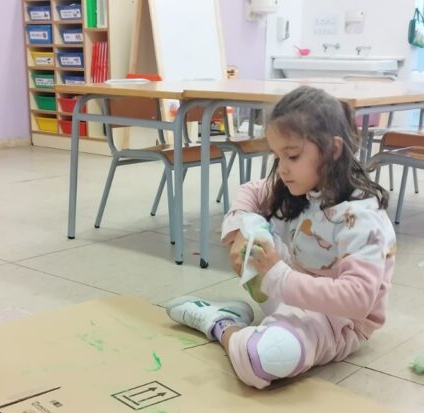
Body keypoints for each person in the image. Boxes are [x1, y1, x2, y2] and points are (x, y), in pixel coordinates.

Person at [166, 86, 396, 389]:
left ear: (333, 150)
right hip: (290, 294)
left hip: (338, 321)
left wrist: (278, 276)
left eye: (292, 156)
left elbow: (357, 300)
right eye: (277, 157)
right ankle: (269, 323)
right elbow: (251, 191)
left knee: (263, 359)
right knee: (254, 228)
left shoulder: (361, 217)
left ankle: (221, 324)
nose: (283, 170)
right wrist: (240, 232)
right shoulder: (301, 186)